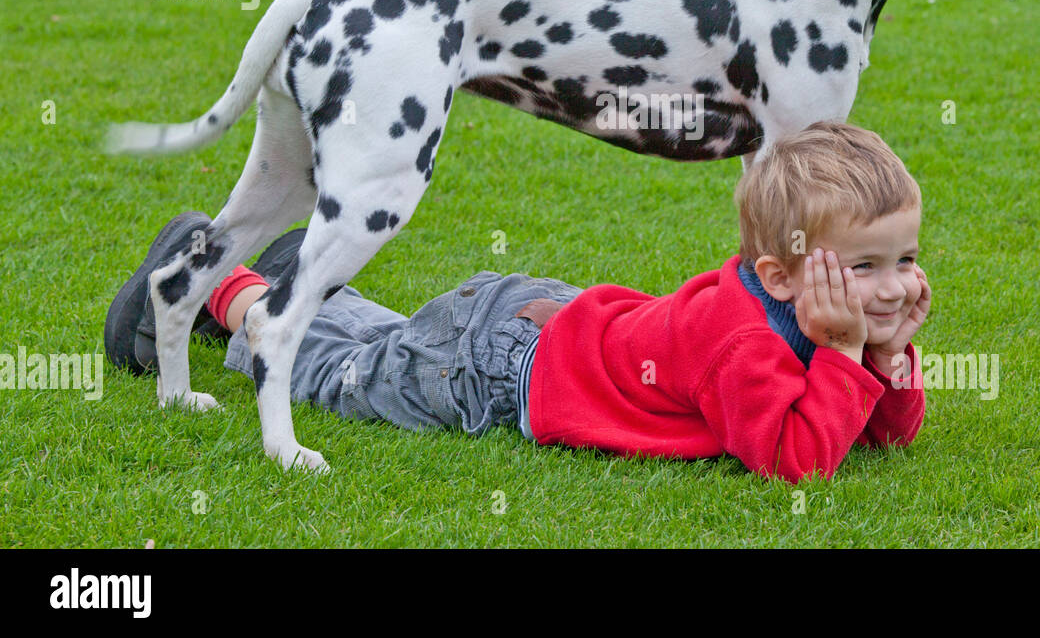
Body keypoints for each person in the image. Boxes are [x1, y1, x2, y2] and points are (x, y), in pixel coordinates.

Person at [106, 121, 930, 482]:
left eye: (904, 259)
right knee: (352, 372)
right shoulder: (746, 342)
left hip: (545, 326)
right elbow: (798, 460)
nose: (893, 285)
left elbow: (876, 434)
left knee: (392, 344)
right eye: (866, 268)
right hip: (498, 369)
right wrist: (848, 352)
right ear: (782, 278)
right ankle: (225, 289)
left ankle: (310, 278)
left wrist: (885, 356)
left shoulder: (807, 310)